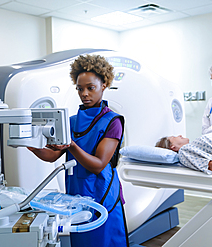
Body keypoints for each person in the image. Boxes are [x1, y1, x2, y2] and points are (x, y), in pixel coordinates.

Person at [28, 54, 129, 247]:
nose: (84, 94)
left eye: (90, 88)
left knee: (105, 241)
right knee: (82, 240)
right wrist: (29, 145)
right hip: (77, 192)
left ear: (104, 85)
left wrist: (72, 146)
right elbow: (53, 155)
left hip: (103, 192)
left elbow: (99, 165)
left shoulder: (113, 122)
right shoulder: (71, 121)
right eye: (80, 89)